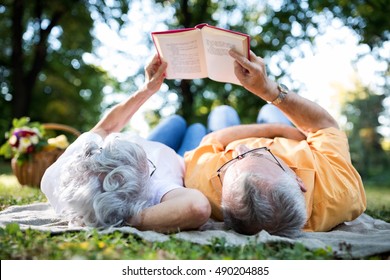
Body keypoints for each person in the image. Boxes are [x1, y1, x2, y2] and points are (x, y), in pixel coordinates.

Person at [184, 49, 367, 237]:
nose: (241, 147)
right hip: (293, 136)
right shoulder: (341, 188)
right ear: (298, 181)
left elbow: (212, 140)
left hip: (228, 137)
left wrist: (271, 131)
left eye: (235, 161)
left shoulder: (204, 184)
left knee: (222, 112)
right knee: (270, 110)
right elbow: (324, 126)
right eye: (258, 154)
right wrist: (268, 92)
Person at [41, 54, 211, 233]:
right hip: (181, 160)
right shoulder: (152, 193)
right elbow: (198, 207)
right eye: (146, 166)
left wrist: (147, 89)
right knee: (198, 128)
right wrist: (130, 219)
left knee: (176, 121)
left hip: (154, 143)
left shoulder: (58, 174)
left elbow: (107, 127)